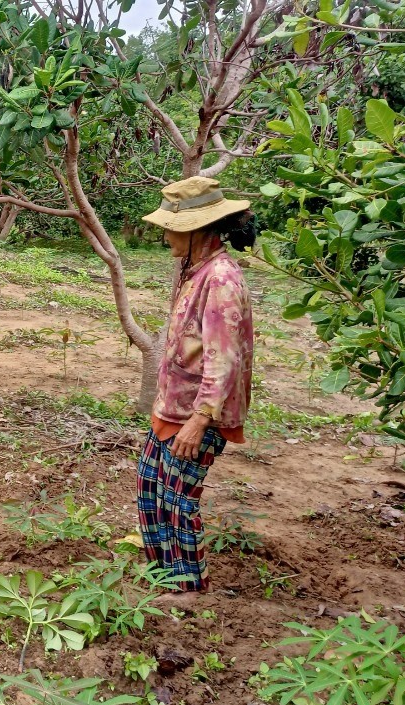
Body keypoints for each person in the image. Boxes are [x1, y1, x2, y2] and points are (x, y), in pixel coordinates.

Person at [136, 176, 257, 596]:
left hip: (195, 415)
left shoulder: (220, 279)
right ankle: (161, 575)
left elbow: (224, 358)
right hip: (173, 406)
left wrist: (200, 420)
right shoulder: (196, 270)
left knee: (179, 501)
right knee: (150, 487)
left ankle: (187, 589)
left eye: (171, 227)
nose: (165, 235)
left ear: (195, 231)